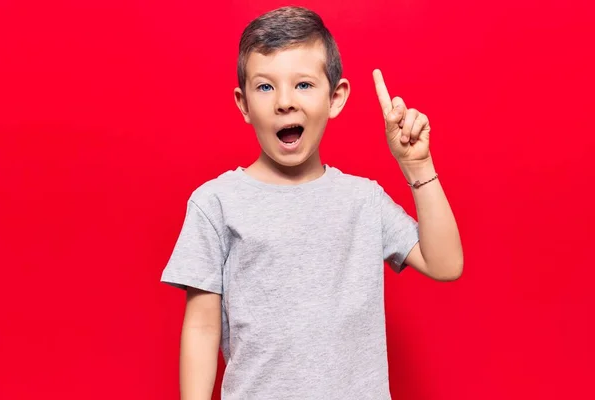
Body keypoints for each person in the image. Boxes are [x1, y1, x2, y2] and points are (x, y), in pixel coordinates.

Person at [160, 5, 463, 400]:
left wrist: (417, 164)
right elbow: (201, 328)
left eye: (303, 84)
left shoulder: (363, 200)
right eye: (265, 87)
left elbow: (446, 264)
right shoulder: (216, 203)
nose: (285, 102)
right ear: (244, 104)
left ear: (335, 98)